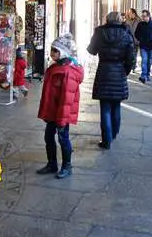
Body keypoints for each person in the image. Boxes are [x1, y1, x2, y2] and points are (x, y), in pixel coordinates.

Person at [36, 34, 83, 179]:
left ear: (63, 52)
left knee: (63, 138)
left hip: (61, 113)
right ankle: (52, 164)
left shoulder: (67, 72)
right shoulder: (55, 67)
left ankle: (67, 166)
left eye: (55, 50)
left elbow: (66, 100)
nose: (52, 53)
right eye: (51, 50)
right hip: (53, 111)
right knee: (48, 136)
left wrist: (62, 119)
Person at [86, 11, 136, 149]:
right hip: (119, 71)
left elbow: (91, 50)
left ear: (107, 19)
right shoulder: (126, 34)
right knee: (116, 105)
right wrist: (124, 71)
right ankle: (113, 134)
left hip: (104, 70)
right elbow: (131, 58)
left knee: (105, 107)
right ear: (120, 20)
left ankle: (106, 140)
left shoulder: (99, 32)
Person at [134, 10, 152, 83]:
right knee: (144, 61)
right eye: (142, 16)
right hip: (143, 46)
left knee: (149, 61)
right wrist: (140, 39)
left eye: (144, 16)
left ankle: (148, 75)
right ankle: (143, 76)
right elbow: (136, 33)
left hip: (151, 46)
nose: (143, 17)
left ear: (148, 16)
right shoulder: (140, 24)